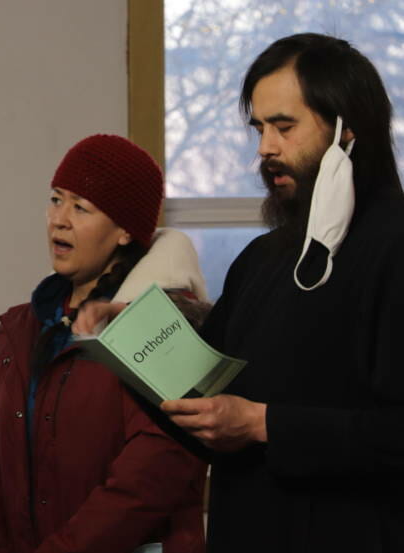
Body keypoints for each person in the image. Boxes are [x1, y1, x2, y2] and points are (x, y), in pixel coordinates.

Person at [80, 34, 404, 552]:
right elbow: (207, 400)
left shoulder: (393, 246)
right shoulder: (263, 258)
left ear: (348, 129)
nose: (264, 148)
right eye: (259, 128)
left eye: (284, 127)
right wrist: (137, 333)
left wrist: (262, 424)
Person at [0, 135, 209, 553]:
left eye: (81, 208)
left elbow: (152, 475)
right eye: (56, 200)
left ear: (125, 231)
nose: (59, 220)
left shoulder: (163, 330)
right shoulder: (25, 325)